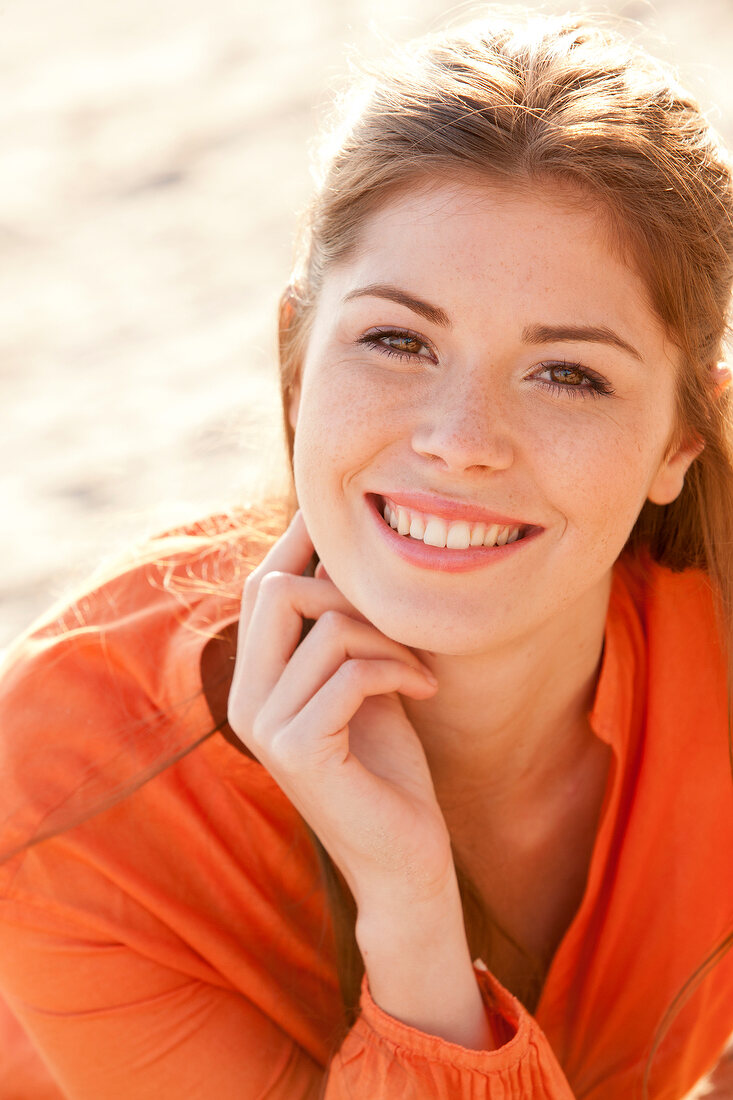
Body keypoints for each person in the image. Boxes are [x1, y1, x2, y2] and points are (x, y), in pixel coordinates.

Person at [1, 8, 732, 1098]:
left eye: (567, 372)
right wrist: (406, 904)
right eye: (397, 340)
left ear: (681, 433)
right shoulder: (73, 776)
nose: (459, 441)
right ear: (297, 368)